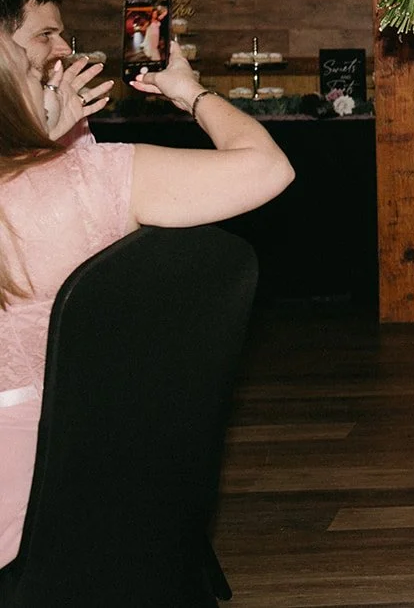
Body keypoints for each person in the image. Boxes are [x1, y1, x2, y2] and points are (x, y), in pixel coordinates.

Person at [0, 34, 294, 567]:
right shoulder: (87, 180)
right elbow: (267, 169)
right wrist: (191, 93)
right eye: (31, 72)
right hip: (105, 478)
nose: (49, 77)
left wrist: (40, 136)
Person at [0, 0, 109, 141]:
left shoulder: (62, 109)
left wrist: (48, 136)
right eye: (45, 34)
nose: (65, 49)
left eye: (59, 34)